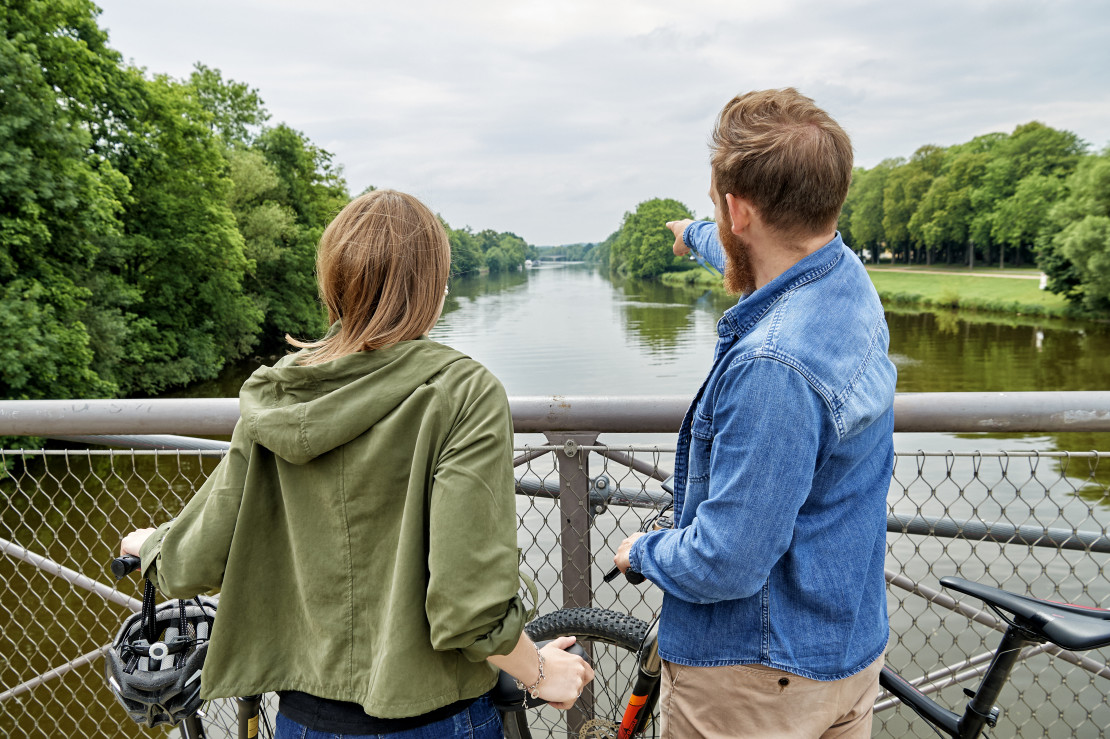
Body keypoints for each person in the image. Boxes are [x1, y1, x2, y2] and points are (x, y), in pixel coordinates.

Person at [120, 189, 593, 739]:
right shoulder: (463, 391)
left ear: (335, 284)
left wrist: (150, 544)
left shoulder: (278, 393)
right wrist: (540, 672)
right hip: (437, 720)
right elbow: (468, 609)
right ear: (433, 290)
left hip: (303, 718)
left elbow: (194, 560)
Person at [614, 89, 896, 738]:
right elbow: (752, 249)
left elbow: (727, 560)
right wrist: (695, 234)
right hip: (843, 650)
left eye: (719, 205)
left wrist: (644, 551)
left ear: (739, 209)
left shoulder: (773, 366)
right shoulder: (846, 279)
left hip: (756, 680)